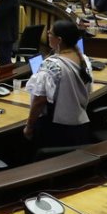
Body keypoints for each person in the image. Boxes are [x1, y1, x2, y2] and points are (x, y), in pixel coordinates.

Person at [24, 20, 94, 148]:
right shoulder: (84, 59)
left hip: (56, 130)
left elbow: (39, 99)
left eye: (50, 33)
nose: (48, 35)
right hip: (80, 127)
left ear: (59, 40)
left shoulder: (52, 65)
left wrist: (29, 126)